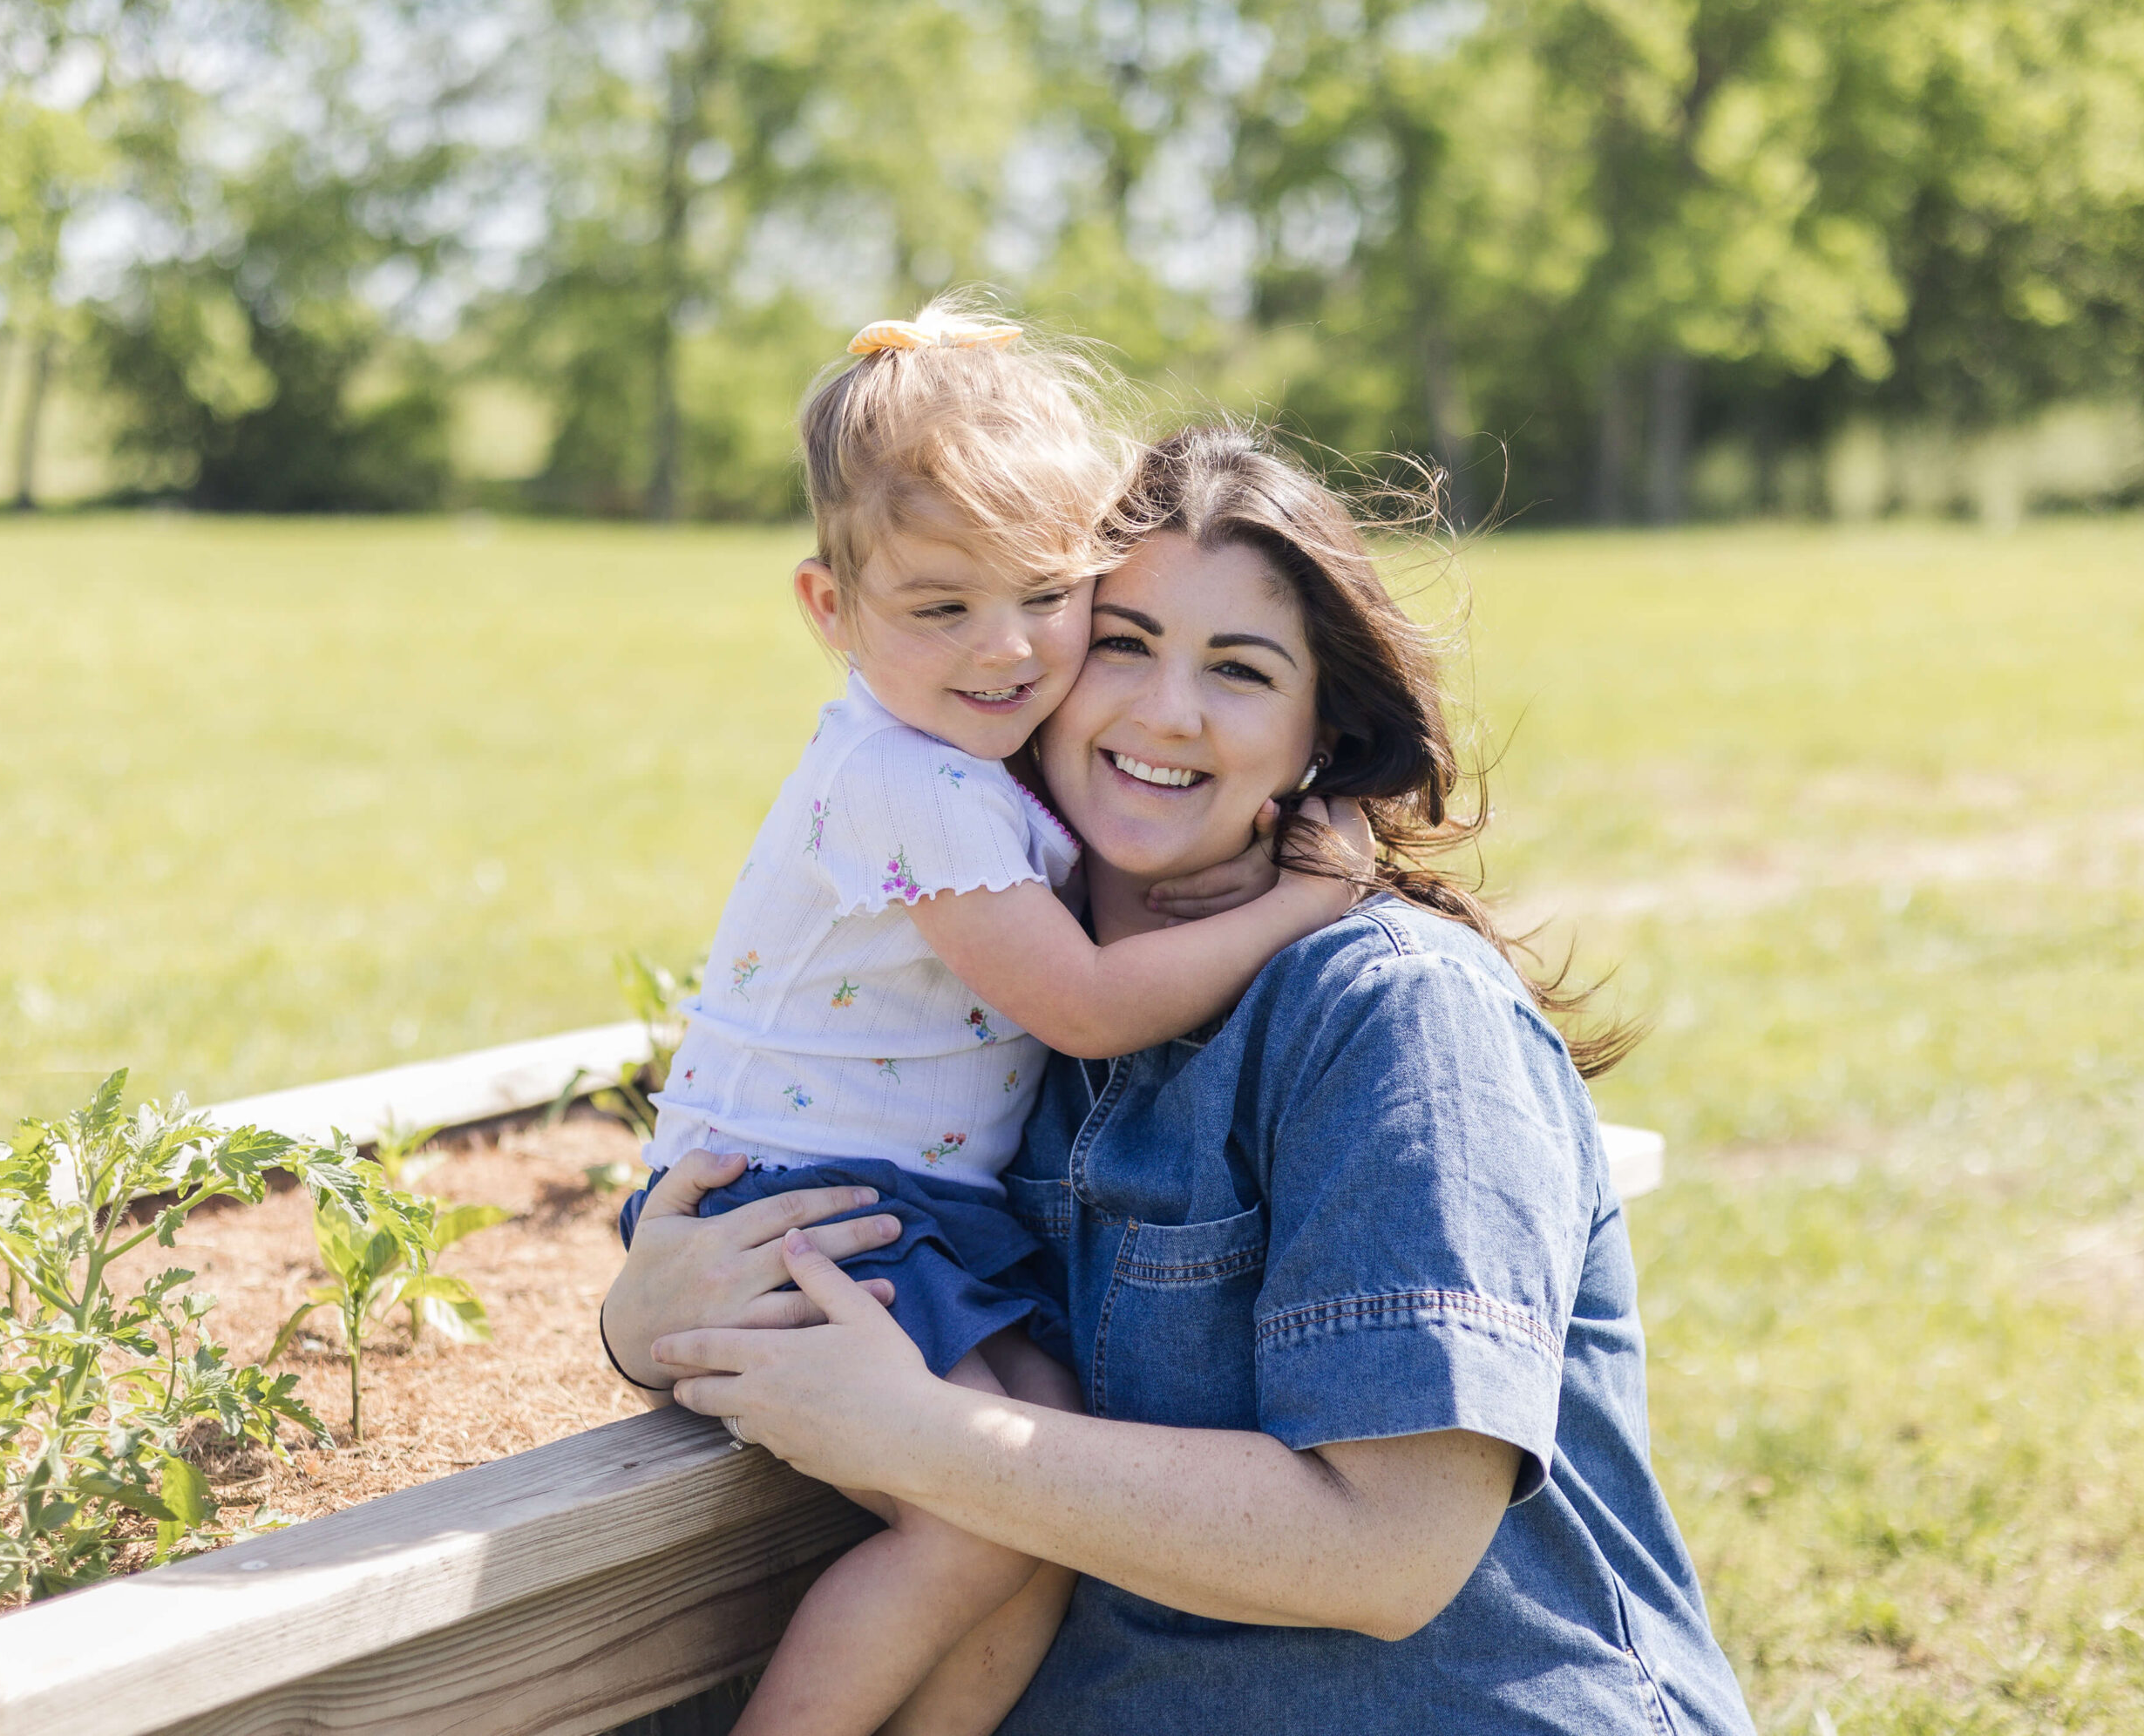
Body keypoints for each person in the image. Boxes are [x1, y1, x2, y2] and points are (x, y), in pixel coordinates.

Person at [607, 424, 1758, 1734]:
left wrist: (922, 1440)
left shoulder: (1393, 1012)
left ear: (1321, 733)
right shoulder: (987, 1017)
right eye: (1123, 641)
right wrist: (645, 1321)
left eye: (1241, 670)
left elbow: (1390, 1555)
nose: (1165, 712)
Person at [614, 324, 1368, 1736]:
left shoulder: (976, 762)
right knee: (973, 1515)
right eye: (941, 608)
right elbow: (1079, 1000)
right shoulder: (915, 784)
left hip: (917, 1214)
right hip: (807, 1209)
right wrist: (1295, 906)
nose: (1007, 648)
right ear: (828, 609)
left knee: (1042, 1501)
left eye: (1046, 593)